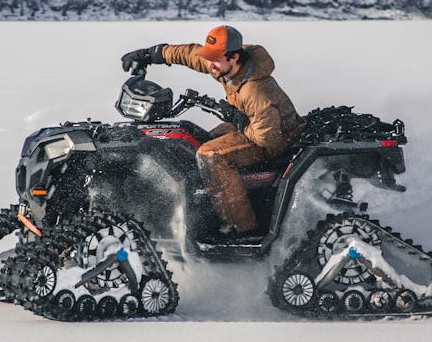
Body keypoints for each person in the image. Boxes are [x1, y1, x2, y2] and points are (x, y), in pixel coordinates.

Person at [121, 25, 306, 241]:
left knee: (211, 155)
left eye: (215, 59)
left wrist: (238, 119)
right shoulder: (224, 64)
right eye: (210, 57)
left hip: (276, 136)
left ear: (234, 57)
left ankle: (244, 228)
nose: (210, 64)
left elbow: (268, 138)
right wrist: (149, 55)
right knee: (203, 140)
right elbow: (189, 54)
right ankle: (210, 206)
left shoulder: (254, 90)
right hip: (255, 122)